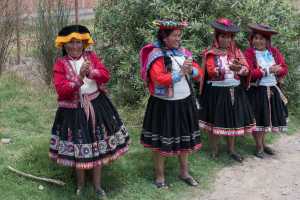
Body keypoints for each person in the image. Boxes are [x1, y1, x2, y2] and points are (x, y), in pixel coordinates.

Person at [49, 25, 130, 198]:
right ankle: (80, 185)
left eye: (78, 42)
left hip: (97, 107)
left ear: (84, 43)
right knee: (79, 147)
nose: (74, 46)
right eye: (70, 43)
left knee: (98, 146)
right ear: (64, 45)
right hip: (73, 112)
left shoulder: (91, 57)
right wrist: (78, 79)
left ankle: (98, 185)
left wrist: (91, 72)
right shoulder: (60, 64)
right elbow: (61, 90)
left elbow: (105, 75)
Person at [140, 19, 203, 188]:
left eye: (179, 35)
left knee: (184, 139)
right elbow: (158, 79)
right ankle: (160, 176)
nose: (178, 39)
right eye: (175, 35)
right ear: (165, 37)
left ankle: (184, 172)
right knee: (161, 141)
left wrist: (192, 70)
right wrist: (181, 72)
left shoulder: (184, 52)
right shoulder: (157, 55)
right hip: (164, 104)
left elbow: (198, 73)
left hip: (184, 102)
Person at [198, 18, 255, 162]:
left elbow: (247, 68)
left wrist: (240, 70)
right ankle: (214, 150)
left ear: (232, 38)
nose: (226, 39)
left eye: (229, 37)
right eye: (223, 36)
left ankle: (232, 150)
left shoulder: (236, 52)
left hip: (235, 91)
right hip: (216, 93)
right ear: (217, 37)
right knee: (215, 122)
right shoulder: (210, 53)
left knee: (233, 121)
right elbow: (211, 71)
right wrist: (226, 68)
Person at [244, 23, 288, 158]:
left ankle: (263, 143)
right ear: (252, 39)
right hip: (257, 90)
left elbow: (284, 67)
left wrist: (279, 70)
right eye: (256, 38)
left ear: (267, 40)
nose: (258, 41)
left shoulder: (273, 52)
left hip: (272, 89)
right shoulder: (249, 53)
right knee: (258, 118)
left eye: (262, 39)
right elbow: (249, 73)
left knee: (267, 118)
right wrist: (267, 70)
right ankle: (258, 146)